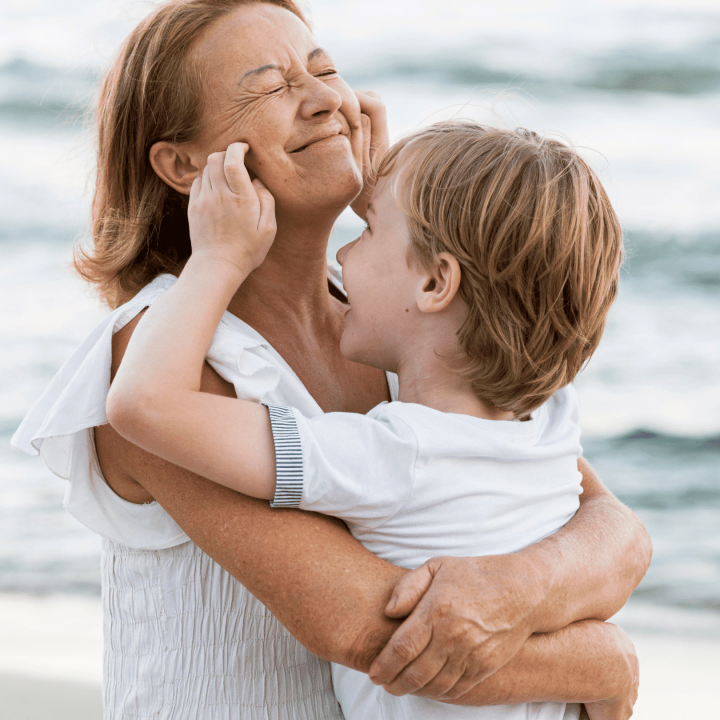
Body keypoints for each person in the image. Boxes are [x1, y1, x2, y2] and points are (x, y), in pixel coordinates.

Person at [12, 1, 649, 718]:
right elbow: (372, 627)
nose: (326, 102)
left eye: (326, 71)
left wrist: (519, 588)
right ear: (185, 165)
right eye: (272, 88)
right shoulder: (158, 355)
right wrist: (603, 661)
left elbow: (612, 530)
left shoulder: (406, 331)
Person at [106, 119, 628, 720]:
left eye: (366, 229)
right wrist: (375, 197)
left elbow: (142, 404)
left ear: (435, 281)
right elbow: (617, 531)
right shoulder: (547, 421)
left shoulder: (383, 456)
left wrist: (217, 259)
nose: (344, 252)